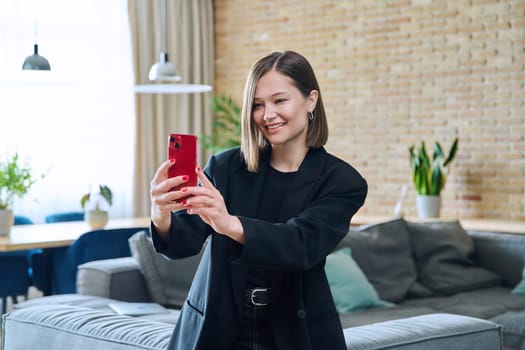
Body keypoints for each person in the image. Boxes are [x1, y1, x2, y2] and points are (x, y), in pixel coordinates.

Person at [149, 50, 368, 350]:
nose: (267, 115)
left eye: (280, 100)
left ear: (311, 100)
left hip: (295, 335)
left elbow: (300, 245)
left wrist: (229, 224)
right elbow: (181, 243)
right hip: (217, 330)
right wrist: (160, 213)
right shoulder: (226, 167)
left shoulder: (342, 182)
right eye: (257, 105)